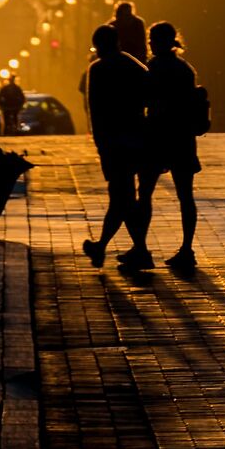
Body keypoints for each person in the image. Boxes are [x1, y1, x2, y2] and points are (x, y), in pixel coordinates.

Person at [81, 22, 151, 267]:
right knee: (124, 197)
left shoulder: (98, 69)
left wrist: (101, 145)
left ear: (98, 46)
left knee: (120, 196)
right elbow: (150, 91)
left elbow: (95, 112)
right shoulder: (131, 64)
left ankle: (117, 248)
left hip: (113, 142)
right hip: (135, 138)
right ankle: (129, 249)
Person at [138, 20, 201, 271]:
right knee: (185, 195)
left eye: (153, 39)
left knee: (144, 193)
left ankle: (141, 248)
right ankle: (187, 248)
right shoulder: (186, 69)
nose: (151, 43)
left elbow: (144, 100)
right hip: (183, 138)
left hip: (156, 137)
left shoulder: (150, 68)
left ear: (163, 41)